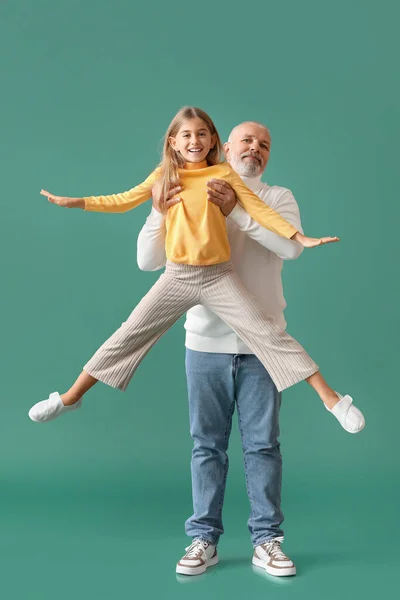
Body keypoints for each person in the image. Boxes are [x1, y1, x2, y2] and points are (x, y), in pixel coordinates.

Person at [136, 118, 365, 577]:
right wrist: (161, 210)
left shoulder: (278, 198)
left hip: (263, 345)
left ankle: (268, 541)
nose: (255, 149)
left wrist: (235, 211)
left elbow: (290, 248)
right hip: (204, 342)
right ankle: (204, 537)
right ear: (225, 145)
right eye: (247, 140)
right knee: (207, 447)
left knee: (263, 446)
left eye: (264, 145)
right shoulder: (188, 187)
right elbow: (147, 260)